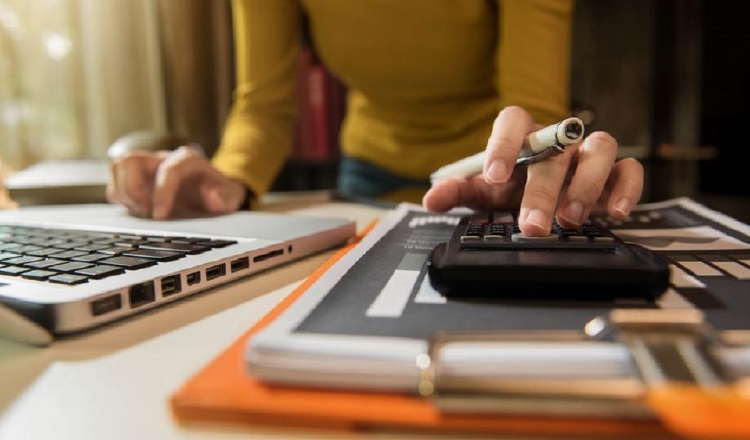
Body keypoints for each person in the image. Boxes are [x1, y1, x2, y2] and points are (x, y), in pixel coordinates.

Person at [107, 0, 643, 237]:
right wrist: (227, 176)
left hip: (495, 178)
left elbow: (532, 110)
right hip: (367, 174)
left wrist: (539, 168)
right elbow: (263, 105)